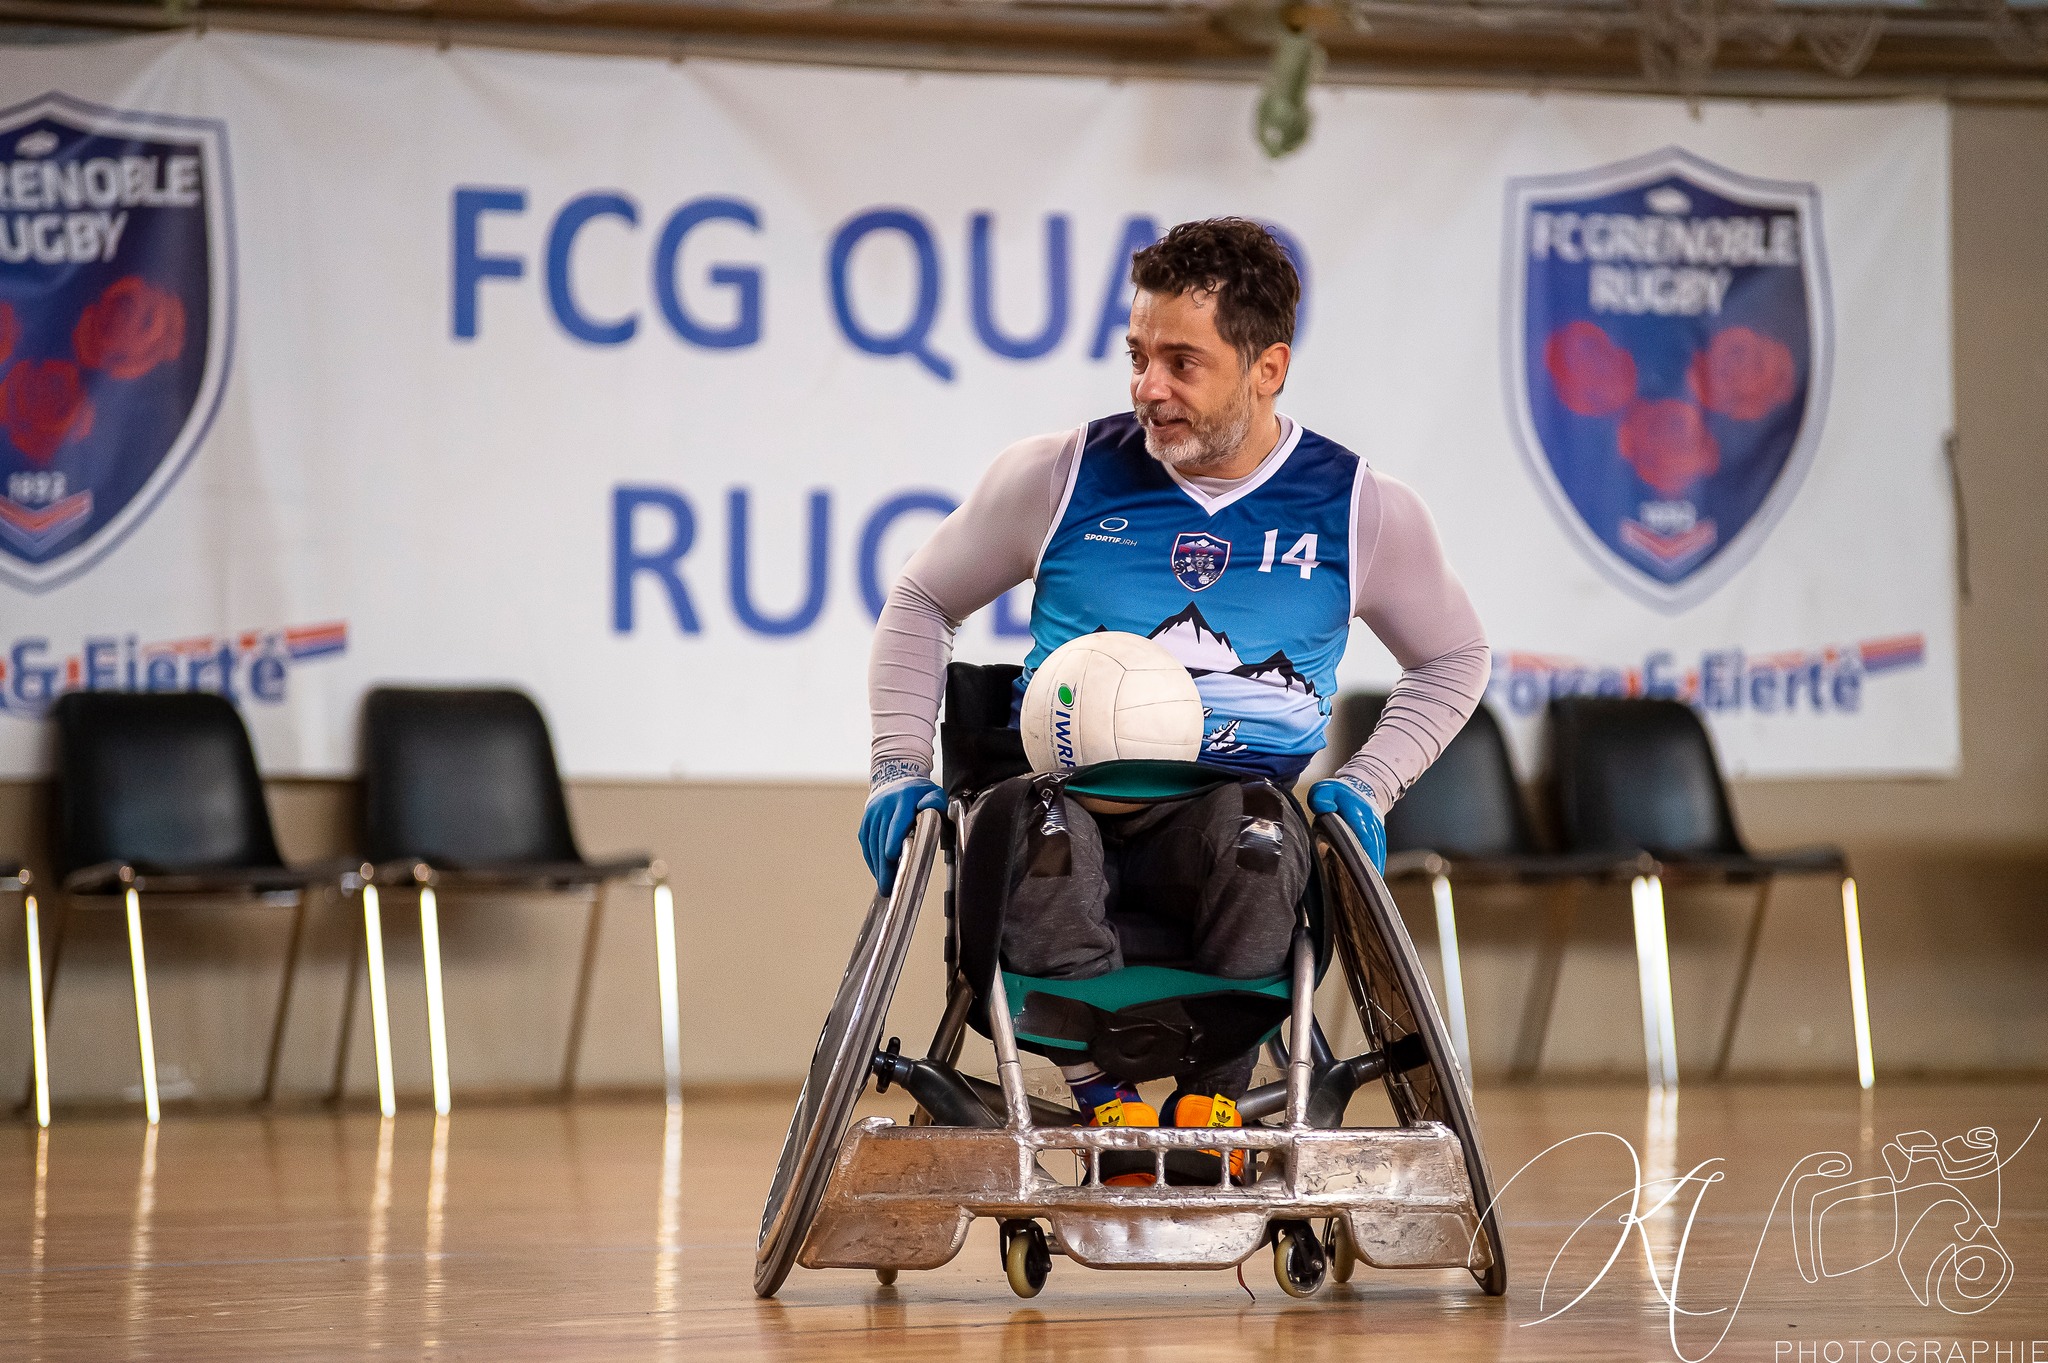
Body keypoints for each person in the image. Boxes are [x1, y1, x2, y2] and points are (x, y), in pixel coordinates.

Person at [859, 218, 1487, 1180]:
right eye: (1138, 356)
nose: (1149, 387)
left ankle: (1211, 1103)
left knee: (1263, 833)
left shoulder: (1359, 507)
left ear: (1267, 368)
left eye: (1182, 362)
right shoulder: (1059, 474)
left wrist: (1370, 783)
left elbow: (1453, 657)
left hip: (1223, 823)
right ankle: (1103, 1104)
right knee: (1033, 828)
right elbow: (920, 599)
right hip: (1063, 802)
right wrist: (898, 765)